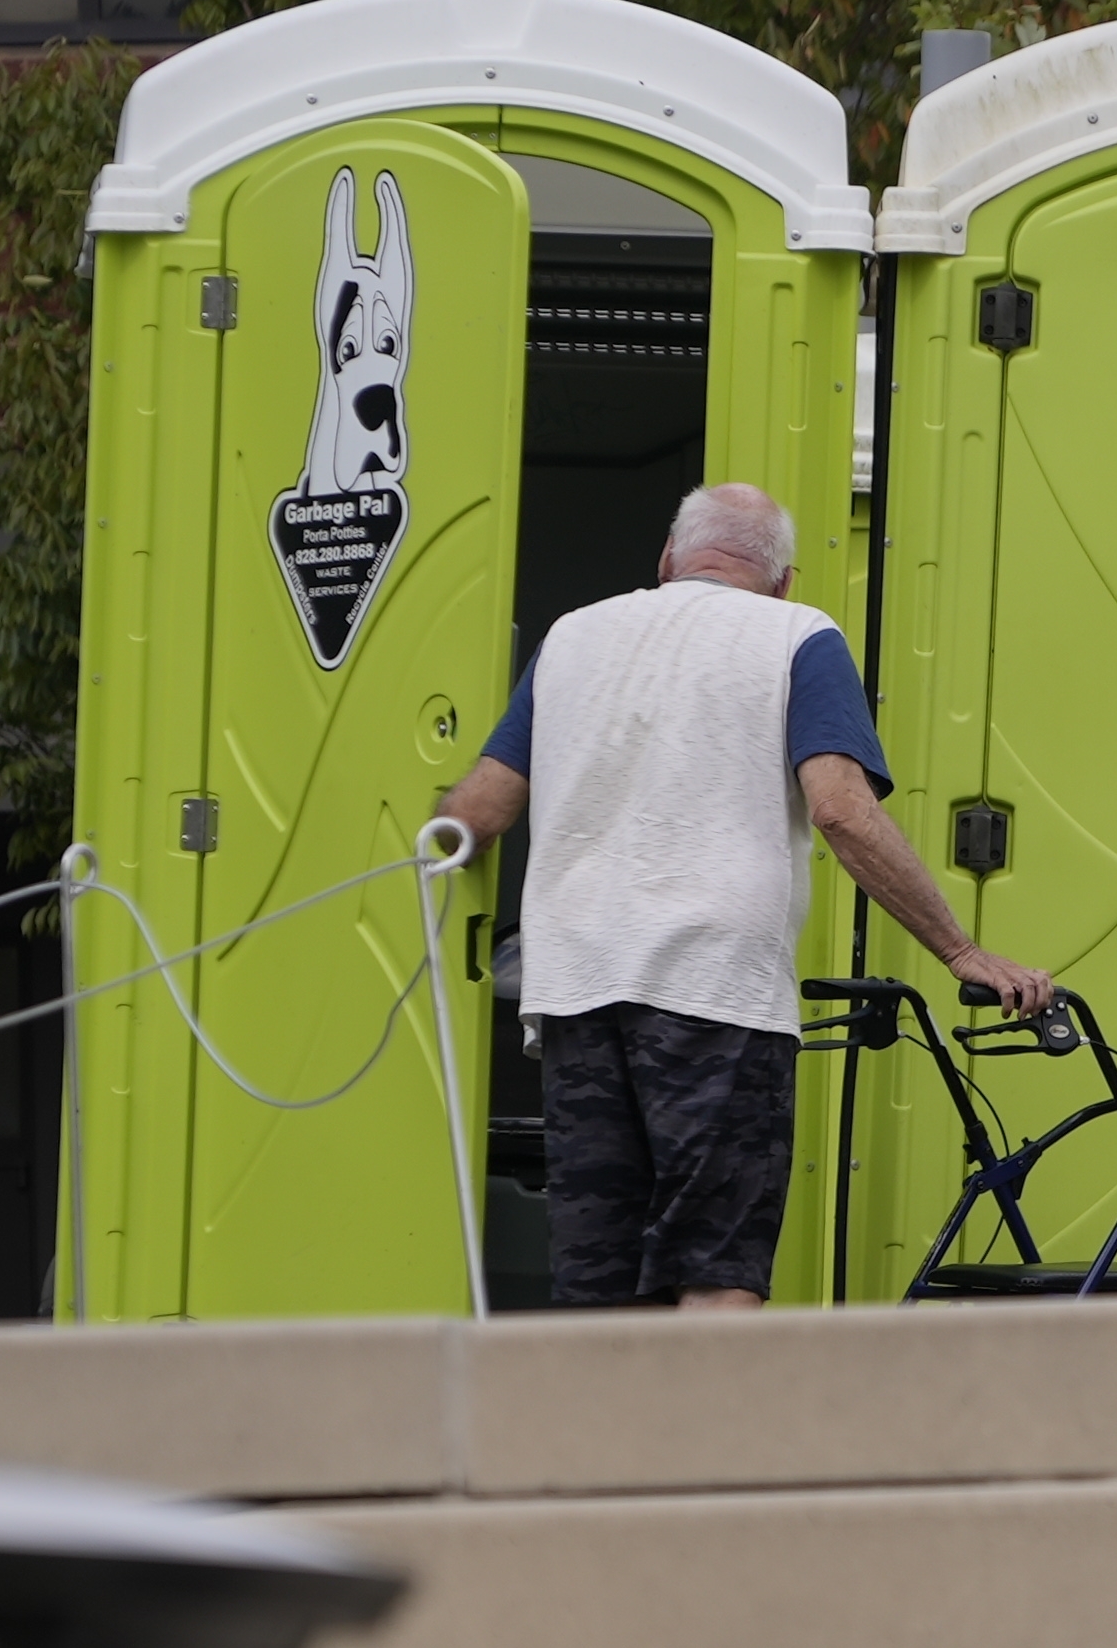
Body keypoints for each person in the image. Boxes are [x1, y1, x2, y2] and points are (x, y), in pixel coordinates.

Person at [430, 483, 1051, 1311]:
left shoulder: (572, 637)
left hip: (577, 991)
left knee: (597, 1286)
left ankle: (599, 1444)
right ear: (784, 580)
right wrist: (960, 950)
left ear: (666, 560)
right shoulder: (799, 634)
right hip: (713, 996)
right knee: (716, 1275)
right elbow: (840, 809)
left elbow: (475, 817)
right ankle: (707, 1446)